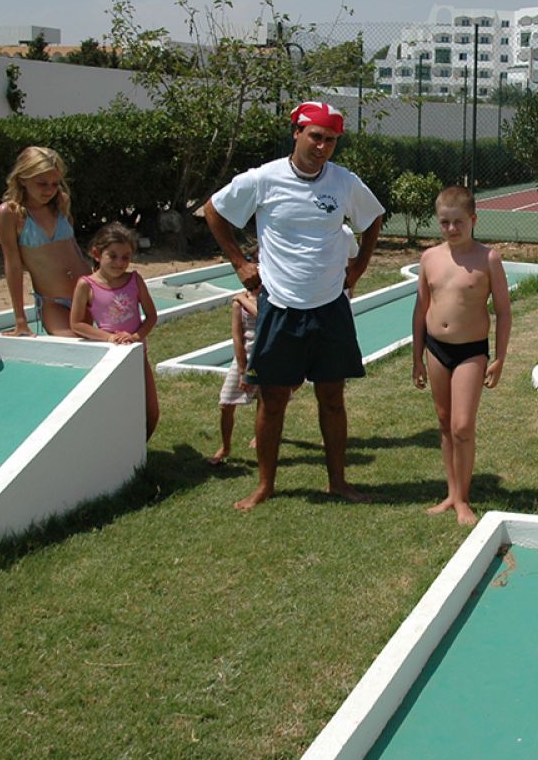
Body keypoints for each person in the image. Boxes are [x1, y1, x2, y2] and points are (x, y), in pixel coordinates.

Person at [203, 101, 385, 509]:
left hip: (330, 305)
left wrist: (358, 267)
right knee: (272, 401)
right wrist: (240, 263)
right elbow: (214, 210)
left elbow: (372, 217)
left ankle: (338, 482)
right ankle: (265, 485)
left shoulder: (344, 182)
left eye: (331, 140)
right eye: (315, 136)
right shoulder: (263, 179)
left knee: (332, 397)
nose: (322, 147)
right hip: (280, 306)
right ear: (297, 133)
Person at [411, 186, 512, 527]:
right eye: (445, 222)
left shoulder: (488, 259)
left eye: (458, 222)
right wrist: (417, 356)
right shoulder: (429, 258)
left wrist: (499, 358)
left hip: (471, 351)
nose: (452, 229)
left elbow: (504, 312)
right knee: (444, 422)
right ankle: (452, 493)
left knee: (463, 425)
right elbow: (420, 309)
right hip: (436, 349)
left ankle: (464, 499)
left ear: (473, 220)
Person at [69, 222, 160, 439]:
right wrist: (109, 337)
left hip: (138, 354)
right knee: (116, 411)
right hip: (110, 357)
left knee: (151, 411)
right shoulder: (86, 285)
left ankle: (140, 450)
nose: (120, 263)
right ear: (97, 254)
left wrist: (136, 336)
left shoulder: (134, 280)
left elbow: (151, 316)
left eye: (125, 257)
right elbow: (77, 324)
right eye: (113, 256)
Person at [0, 146, 87, 337]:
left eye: (55, 184)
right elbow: (13, 265)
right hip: (53, 301)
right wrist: (20, 319)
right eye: (42, 183)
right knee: (72, 345)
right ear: (22, 179)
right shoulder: (10, 213)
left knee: (120, 344)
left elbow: (73, 249)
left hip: (89, 292)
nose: (49, 190)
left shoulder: (61, 202)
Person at [208, 289, 260, 465]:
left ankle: (260, 436)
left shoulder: (271, 296)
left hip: (267, 357)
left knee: (265, 403)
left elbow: (262, 316)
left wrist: (242, 299)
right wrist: (243, 370)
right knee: (226, 403)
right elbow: (237, 337)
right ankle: (225, 446)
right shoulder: (239, 302)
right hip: (244, 357)